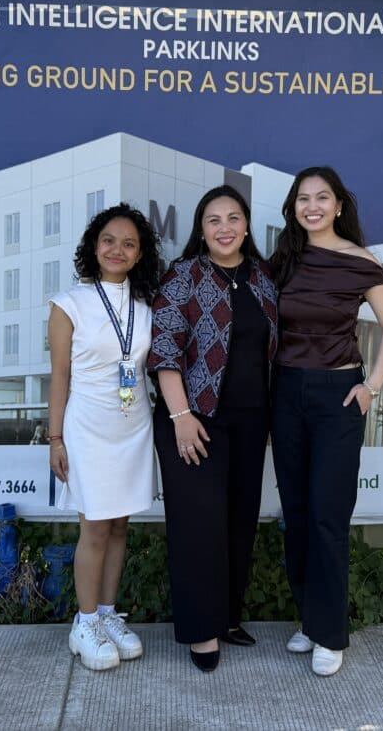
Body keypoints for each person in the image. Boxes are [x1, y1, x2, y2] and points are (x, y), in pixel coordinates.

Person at [268, 167, 383, 677]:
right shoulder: (282, 260)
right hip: (285, 393)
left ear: (339, 205)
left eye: (322, 197)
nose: (313, 206)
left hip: (337, 398)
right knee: (297, 514)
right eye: (303, 199)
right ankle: (309, 619)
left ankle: (330, 634)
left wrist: (372, 388)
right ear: (293, 208)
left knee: (328, 516)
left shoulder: (362, 263)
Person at [148, 185, 279, 673]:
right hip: (193, 419)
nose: (224, 228)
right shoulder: (184, 276)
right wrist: (180, 417)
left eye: (233, 218)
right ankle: (202, 631)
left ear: (246, 224)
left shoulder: (265, 280)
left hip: (250, 421)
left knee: (239, 521)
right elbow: (162, 348)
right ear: (201, 230)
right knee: (199, 525)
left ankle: (226, 617)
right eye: (213, 220)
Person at [48, 203, 161, 671]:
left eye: (129, 244)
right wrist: (55, 437)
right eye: (109, 240)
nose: (118, 249)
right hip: (88, 427)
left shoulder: (145, 306)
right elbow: (58, 377)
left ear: (139, 255)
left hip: (134, 426)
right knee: (94, 526)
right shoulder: (68, 303)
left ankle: (109, 615)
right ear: (94, 247)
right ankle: (85, 623)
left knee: (119, 526)